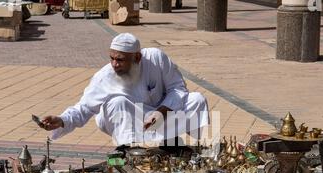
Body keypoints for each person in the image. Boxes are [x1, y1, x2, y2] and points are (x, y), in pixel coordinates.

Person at [40, 33, 209, 147]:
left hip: (160, 114)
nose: (114, 64)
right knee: (117, 102)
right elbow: (83, 108)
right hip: (127, 117)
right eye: (112, 58)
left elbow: (178, 88)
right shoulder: (105, 76)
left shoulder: (156, 58)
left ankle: (200, 148)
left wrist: (161, 111)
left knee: (197, 99)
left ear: (137, 57)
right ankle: (130, 151)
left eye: (120, 60)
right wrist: (62, 120)